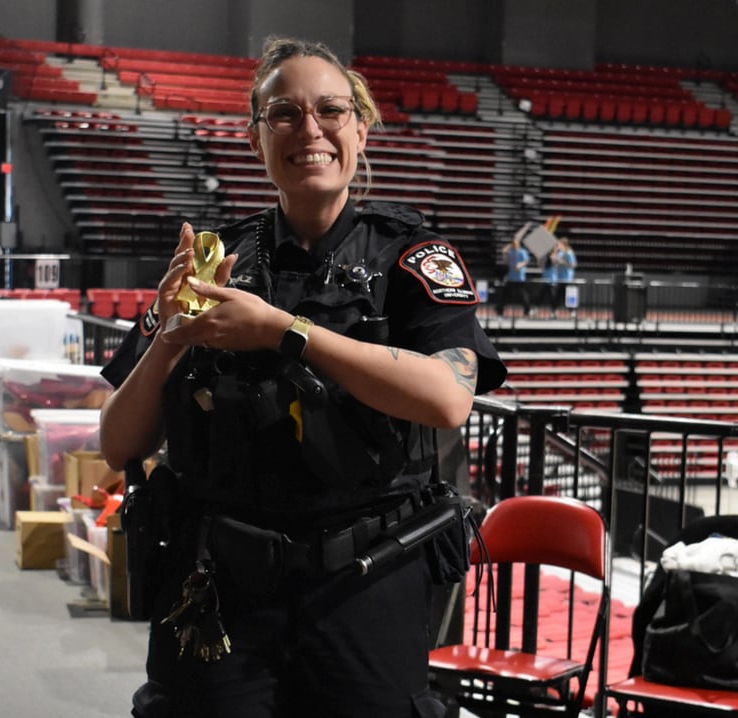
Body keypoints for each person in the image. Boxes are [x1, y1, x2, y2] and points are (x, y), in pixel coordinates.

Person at [99, 36, 506, 718]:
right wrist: (169, 338)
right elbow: (117, 444)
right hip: (218, 585)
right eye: (284, 113)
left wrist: (285, 333)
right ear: (257, 137)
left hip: (367, 586)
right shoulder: (212, 259)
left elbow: (446, 398)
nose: (309, 130)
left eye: (330, 111)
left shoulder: (416, 256)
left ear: (361, 127)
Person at [495, 228, 531, 316]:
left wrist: (520, 265)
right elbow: (506, 262)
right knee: (505, 294)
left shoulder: (522, 252)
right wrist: (504, 253)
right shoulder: (510, 252)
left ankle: (527, 310)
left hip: (519, 277)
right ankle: (500, 309)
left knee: (522, 295)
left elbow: (526, 261)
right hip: (511, 277)